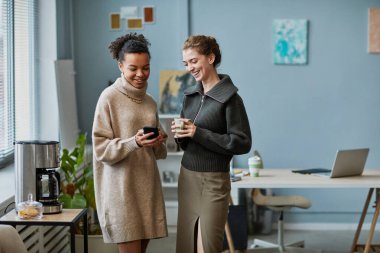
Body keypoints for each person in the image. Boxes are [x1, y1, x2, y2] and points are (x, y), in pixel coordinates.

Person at [173, 35, 252, 253]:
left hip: (214, 181)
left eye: (194, 61)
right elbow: (187, 144)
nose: (190, 67)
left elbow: (241, 143)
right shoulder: (190, 96)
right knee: (186, 245)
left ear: (210, 58)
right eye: (186, 63)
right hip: (187, 178)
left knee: (207, 246)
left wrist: (197, 133)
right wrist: (181, 134)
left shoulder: (231, 99)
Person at [92, 33, 168, 253]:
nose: (140, 74)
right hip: (120, 192)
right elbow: (100, 149)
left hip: (147, 188)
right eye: (133, 68)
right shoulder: (109, 97)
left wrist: (157, 142)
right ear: (120, 66)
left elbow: (159, 154)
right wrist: (133, 142)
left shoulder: (150, 101)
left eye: (145, 68)